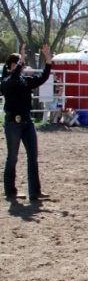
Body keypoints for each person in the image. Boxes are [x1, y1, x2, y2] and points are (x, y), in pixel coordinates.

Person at [2, 44, 52, 201]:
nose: (22, 68)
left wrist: (48, 61)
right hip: (13, 122)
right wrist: (20, 63)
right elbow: (12, 80)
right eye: (19, 64)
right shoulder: (6, 81)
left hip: (26, 120)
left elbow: (42, 78)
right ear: (12, 65)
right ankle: (10, 191)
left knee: (32, 155)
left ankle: (34, 191)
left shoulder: (24, 80)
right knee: (13, 157)